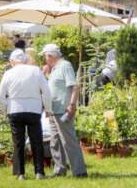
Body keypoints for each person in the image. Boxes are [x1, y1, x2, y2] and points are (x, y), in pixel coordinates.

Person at [0, 49, 52, 180]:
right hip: (34, 110)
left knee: (18, 142)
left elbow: (0, 96)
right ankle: (39, 172)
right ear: (25, 60)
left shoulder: (8, 73)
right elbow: (46, 91)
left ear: (12, 61)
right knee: (37, 141)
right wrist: (48, 108)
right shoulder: (35, 71)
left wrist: (5, 110)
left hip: (15, 110)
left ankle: (20, 173)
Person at [41, 43, 87, 178]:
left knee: (69, 141)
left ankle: (80, 172)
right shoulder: (54, 68)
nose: (45, 59)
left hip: (63, 110)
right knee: (55, 141)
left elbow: (75, 87)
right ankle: (59, 169)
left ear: (50, 56)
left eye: (45, 56)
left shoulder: (65, 66)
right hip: (53, 110)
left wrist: (72, 105)